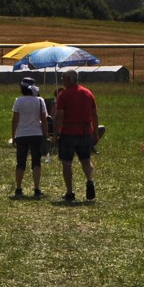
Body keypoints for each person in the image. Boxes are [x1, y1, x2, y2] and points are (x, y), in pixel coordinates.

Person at [52, 69, 98, 201]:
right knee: (86, 160)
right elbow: (94, 114)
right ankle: (90, 180)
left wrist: (55, 135)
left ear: (69, 79)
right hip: (85, 133)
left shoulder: (64, 95)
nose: (62, 81)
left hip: (68, 133)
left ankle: (70, 192)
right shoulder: (88, 93)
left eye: (63, 78)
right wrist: (95, 132)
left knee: (67, 163)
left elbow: (60, 116)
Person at [11, 76, 48, 198]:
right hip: (37, 133)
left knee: (20, 162)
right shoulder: (40, 100)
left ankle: (18, 188)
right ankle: (37, 189)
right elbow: (44, 119)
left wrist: (13, 135)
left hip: (22, 134)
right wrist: (45, 135)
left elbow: (15, 120)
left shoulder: (18, 101)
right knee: (36, 162)